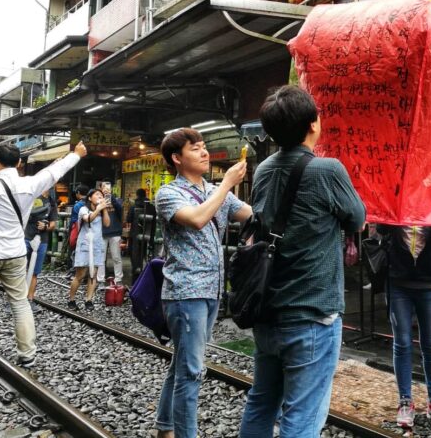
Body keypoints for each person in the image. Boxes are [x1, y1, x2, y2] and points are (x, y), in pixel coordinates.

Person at [239, 85, 366, 438]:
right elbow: (357, 219)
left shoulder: (263, 169)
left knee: (262, 400)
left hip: (268, 310)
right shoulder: (328, 170)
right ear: (314, 124)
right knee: (302, 416)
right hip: (312, 313)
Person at [154, 128, 251, 438]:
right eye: (195, 149)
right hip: (185, 292)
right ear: (177, 158)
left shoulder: (215, 190)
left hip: (211, 290)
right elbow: (196, 219)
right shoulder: (169, 193)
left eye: (204, 146)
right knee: (192, 371)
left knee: (182, 365)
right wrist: (225, 185)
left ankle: (165, 427)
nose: (205, 152)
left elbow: (251, 215)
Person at [0, 141, 86, 375]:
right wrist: (76, 154)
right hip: (16, 254)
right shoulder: (30, 184)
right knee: (20, 303)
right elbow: (54, 171)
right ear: (19, 163)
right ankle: (27, 355)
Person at [377, 224, 431, 429]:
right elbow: (382, 229)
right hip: (398, 281)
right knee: (401, 343)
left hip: (429, 281)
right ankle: (405, 401)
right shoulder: (395, 197)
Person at [68, 188, 110, 311]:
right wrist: (98, 209)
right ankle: (71, 299)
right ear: (90, 198)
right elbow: (88, 219)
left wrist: (105, 209)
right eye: (97, 194)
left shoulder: (101, 210)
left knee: (93, 274)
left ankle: (89, 300)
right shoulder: (83, 209)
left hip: (97, 245)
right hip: (84, 245)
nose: (100, 196)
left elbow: (107, 224)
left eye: (101, 195)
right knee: (80, 275)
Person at [25, 189, 58, 313]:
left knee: (34, 272)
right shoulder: (31, 197)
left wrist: (46, 226)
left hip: (42, 240)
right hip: (25, 237)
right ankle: (15, 300)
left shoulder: (51, 202)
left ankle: (30, 299)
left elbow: (53, 224)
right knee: (20, 270)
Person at [96, 181, 124, 285]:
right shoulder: (97, 200)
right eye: (103, 187)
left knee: (116, 257)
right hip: (102, 232)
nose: (105, 189)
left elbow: (120, 209)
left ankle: (118, 278)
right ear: (100, 188)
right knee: (101, 258)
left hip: (115, 232)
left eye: (107, 187)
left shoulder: (117, 199)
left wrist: (110, 197)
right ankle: (100, 280)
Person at [128, 188, 155, 276]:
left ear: (137, 195)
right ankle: (147, 272)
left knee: (136, 254)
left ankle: (136, 271)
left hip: (135, 233)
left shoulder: (133, 206)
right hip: (149, 233)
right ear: (145, 195)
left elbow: (129, 219)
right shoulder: (151, 207)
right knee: (147, 253)